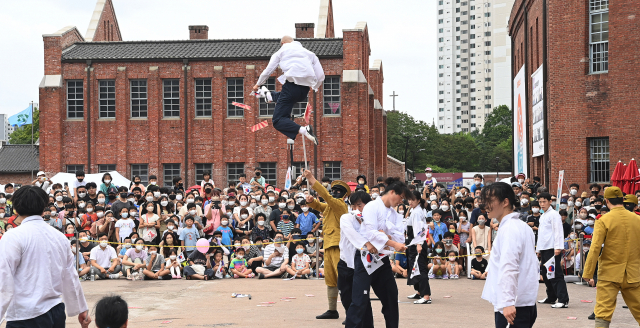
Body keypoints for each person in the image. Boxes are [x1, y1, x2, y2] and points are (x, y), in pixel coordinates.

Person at [0, 185, 91, 328]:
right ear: (44, 208)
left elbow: (4, 278)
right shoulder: (59, 237)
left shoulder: (13, 236)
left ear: (15, 209)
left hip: (25, 315)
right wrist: (81, 309)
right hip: (55, 312)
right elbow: (70, 275)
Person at [344, 177, 409, 328]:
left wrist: (388, 238)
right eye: (401, 197)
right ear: (392, 192)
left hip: (382, 260)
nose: (401, 201)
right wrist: (390, 240)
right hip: (365, 259)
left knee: (391, 298)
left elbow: (400, 235)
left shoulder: (394, 214)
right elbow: (371, 233)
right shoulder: (372, 207)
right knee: (359, 301)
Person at [480, 182, 538, 328]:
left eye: (490, 201)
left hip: (513, 306)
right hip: (523, 302)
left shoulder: (509, 229)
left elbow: (509, 266)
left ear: (505, 202)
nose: (486, 206)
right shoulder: (520, 226)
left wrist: (507, 302)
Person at [583, 186, 640, 328]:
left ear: (606, 201)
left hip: (609, 273)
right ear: (622, 199)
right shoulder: (637, 219)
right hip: (633, 273)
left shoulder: (604, 220)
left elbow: (595, 247)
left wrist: (587, 273)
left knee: (603, 313)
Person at [253, 35, 322, 145]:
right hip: (304, 92)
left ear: (283, 43)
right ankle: (270, 96)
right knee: (286, 97)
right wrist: (315, 86)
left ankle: (304, 130)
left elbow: (268, 70)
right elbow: (320, 74)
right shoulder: (309, 53)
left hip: (291, 87)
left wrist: (258, 84)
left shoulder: (281, 51)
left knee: (278, 120)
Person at [304, 169, 350, 320]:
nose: (335, 192)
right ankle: (332, 310)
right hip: (329, 246)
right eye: (334, 190)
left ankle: (350, 313)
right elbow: (319, 206)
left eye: (338, 191)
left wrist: (312, 179)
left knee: (343, 280)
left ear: (343, 195)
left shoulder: (340, 205)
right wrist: (311, 202)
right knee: (330, 279)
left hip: (338, 246)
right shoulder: (331, 206)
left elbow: (327, 198)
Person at [536, 192, 570, 308]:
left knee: (555, 274)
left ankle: (563, 299)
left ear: (550, 202)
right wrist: (539, 249)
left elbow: (558, 232)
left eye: (544, 201)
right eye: (540, 202)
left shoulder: (554, 215)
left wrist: (558, 248)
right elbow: (541, 234)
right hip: (544, 248)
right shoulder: (543, 215)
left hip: (553, 248)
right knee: (545, 274)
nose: (542, 204)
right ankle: (551, 297)